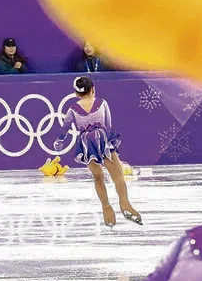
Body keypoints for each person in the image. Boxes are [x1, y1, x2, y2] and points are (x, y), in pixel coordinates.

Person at [55, 75, 141, 227]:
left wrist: (59, 141)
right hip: (103, 140)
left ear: (76, 93)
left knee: (98, 177)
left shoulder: (72, 109)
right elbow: (108, 125)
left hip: (87, 144)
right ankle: (125, 204)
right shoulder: (102, 103)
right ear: (93, 89)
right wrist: (112, 144)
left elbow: (65, 128)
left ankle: (106, 208)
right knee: (118, 175)